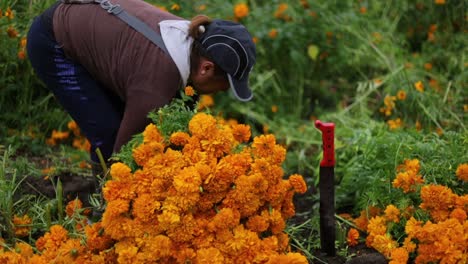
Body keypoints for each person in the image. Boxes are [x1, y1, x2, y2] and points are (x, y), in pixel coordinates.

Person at [26, 0, 256, 168]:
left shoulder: (194, 40)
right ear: (206, 68)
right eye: (224, 85)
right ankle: (102, 216)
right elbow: (122, 157)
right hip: (53, 41)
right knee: (109, 139)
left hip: (91, 24)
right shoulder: (155, 84)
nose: (222, 91)